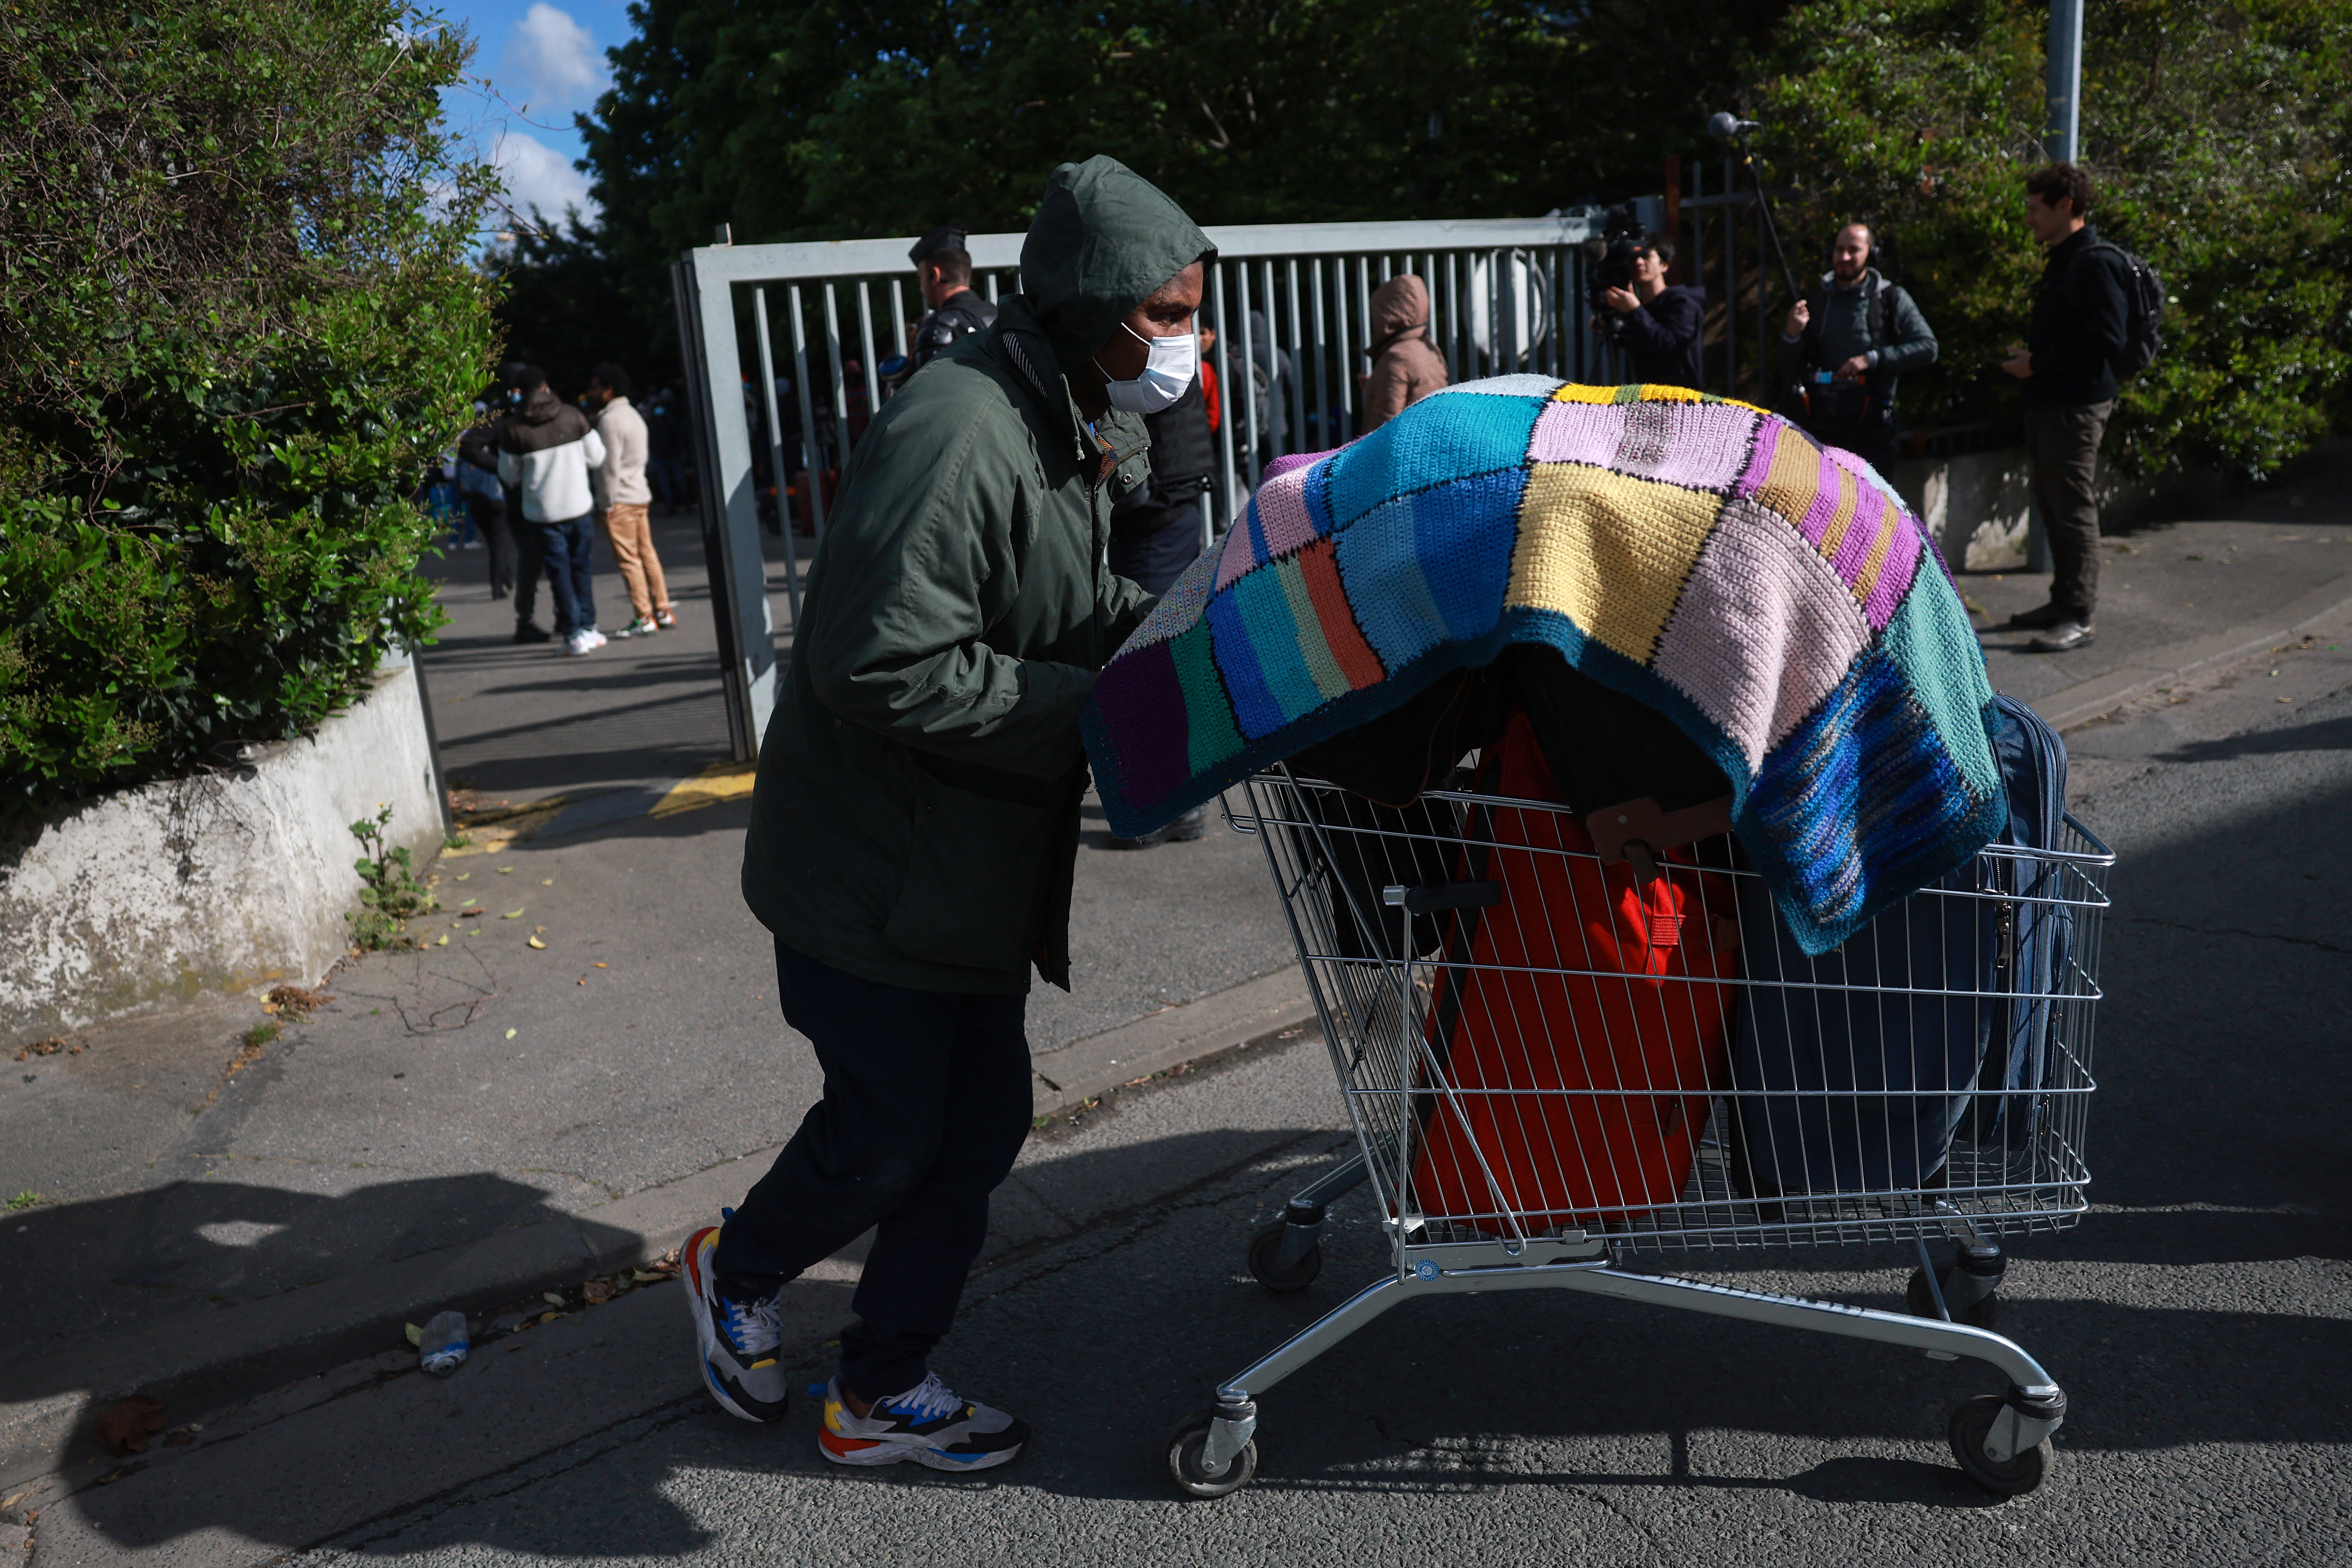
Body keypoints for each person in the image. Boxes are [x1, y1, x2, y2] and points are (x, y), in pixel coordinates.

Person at [681, 155, 1206, 1472]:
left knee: (972, 1130)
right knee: (887, 1137)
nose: (1182, 340)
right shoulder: (958, 428)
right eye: (1166, 312)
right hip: (868, 870)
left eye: (1191, 311)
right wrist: (1096, 704)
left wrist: (1174, 636)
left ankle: (878, 1385)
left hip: (959, 867)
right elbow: (877, 660)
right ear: (1091, 301)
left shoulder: (1065, 409)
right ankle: (734, 1265)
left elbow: (1050, 597)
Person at [2001, 162, 2129, 653]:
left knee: (2073, 511)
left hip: (2076, 407)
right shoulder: (2064, 259)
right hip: (2051, 401)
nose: (2029, 218)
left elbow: (2108, 342)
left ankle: (2079, 615)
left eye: (2036, 209)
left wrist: (2038, 364)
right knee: (2055, 506)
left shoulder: (2094, 263)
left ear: (2066, 207)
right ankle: (2062, 601)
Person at [1778, 223, 1938, 474]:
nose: (1844, 257)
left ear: (1872, 254)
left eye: (1854, 250)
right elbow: (1789, 371)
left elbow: (1928, 348)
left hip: (1874, 431)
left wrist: (1872, 359)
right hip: (1823, 431)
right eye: (1839, 249)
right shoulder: (1817, 305)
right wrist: (1792, 334)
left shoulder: (1890, 298)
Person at [496, 365, 607, 656]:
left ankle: (573, 634)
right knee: (582, 567)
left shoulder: (514, 428)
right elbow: (597, 457)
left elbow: (507, 475)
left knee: (560, 572)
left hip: (543, 513)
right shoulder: (572, 415)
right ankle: (590, 627)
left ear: (520, 393)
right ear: (546, 387)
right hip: (579, 506)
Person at [587, 362, 675, 638]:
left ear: (608, 390)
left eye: (595, 386)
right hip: (639, 493)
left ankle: (643, 615)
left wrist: (605, 502)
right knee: (647, 553)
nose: (591, 391)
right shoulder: (634, 414)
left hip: (620, 499)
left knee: (629, 560)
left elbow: (608, 468)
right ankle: (663, 609)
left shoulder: (610, 420)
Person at [1598, 232, 1703, 391]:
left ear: (1664, 265)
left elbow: (1670, 346)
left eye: (1647, 256)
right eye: (1634, 258)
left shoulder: (1683, 303)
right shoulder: (1637, 309)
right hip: (1645, 396)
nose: (1639, 262)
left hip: (1680, 398)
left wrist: (1635, 311)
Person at [906, 226, 1000, 375]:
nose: (921, 289)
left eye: (921, 278)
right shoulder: (997, 313)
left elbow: (929, 388)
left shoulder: (938, 327)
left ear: (935, 275)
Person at [1361, 273, 1449, 432]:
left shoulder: (1396, 357)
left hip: (1406, 443)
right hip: (1431, 436)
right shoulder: (1429, 348)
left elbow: (1384, 424)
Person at [456, 402, 517, 598]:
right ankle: (499, 584)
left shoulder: (467, 449)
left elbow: (459, 478)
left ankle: (505, 576)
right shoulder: (496, 449)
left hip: (475, 500)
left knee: (494, 542)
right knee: (500, 543)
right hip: (496, 500)